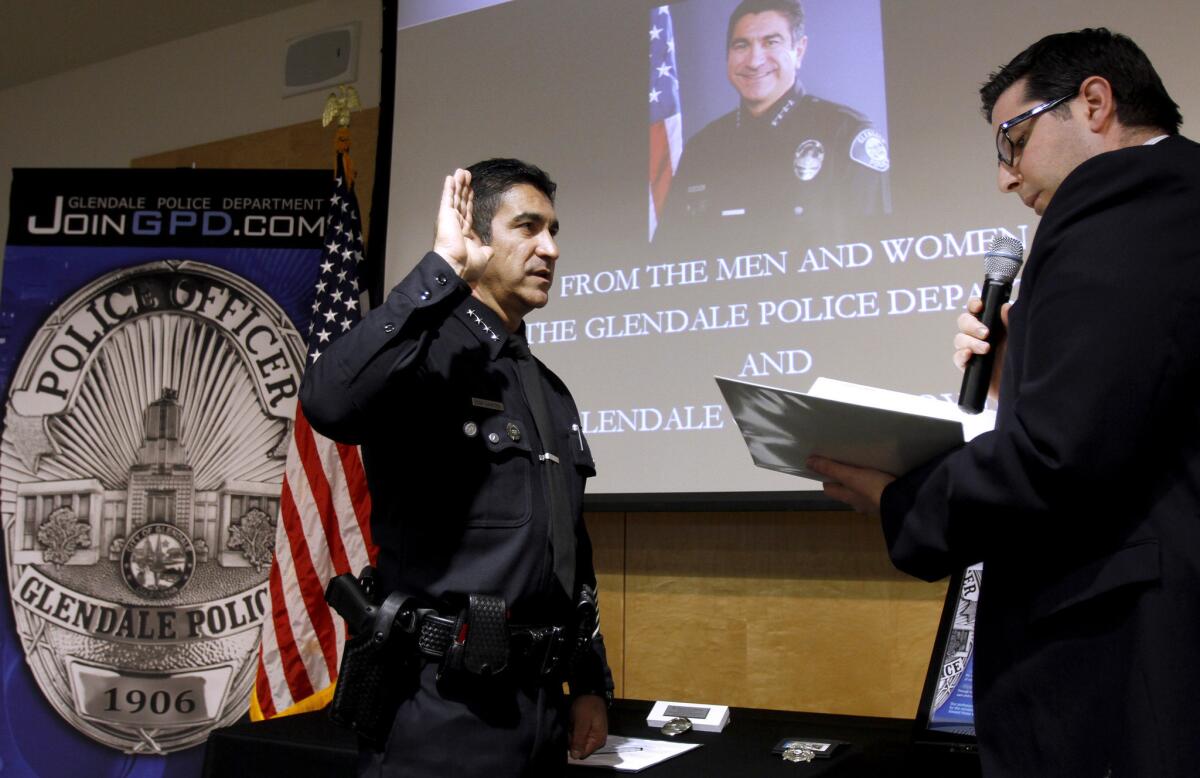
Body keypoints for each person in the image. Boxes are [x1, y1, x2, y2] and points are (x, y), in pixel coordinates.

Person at [807, 28, 1200, 776]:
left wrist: (903, 501)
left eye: (1012, 141)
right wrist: (1018, 373)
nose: (1006, 177)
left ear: (1093, 102)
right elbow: (1124, 418)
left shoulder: (1126, 196)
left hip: (1123, 662)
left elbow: (1061, 456)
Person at [300, 159, 612, 776]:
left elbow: (569, 551)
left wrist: (590, 680)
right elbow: (327, 400)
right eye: (527, 227)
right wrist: (440, 269)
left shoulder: (547, 389)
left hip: (539, 710)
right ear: (476, 235)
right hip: (437, 706)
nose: (549, 248)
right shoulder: (422, 358)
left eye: (554, 231)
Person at [654, 0, 890, 250]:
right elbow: (668, 257)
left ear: (799, 51)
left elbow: (878, 256)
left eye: (771, 42)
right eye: (741, 45)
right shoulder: (701, 148)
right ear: (728, 56)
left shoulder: (846, 134)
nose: (754, 61)